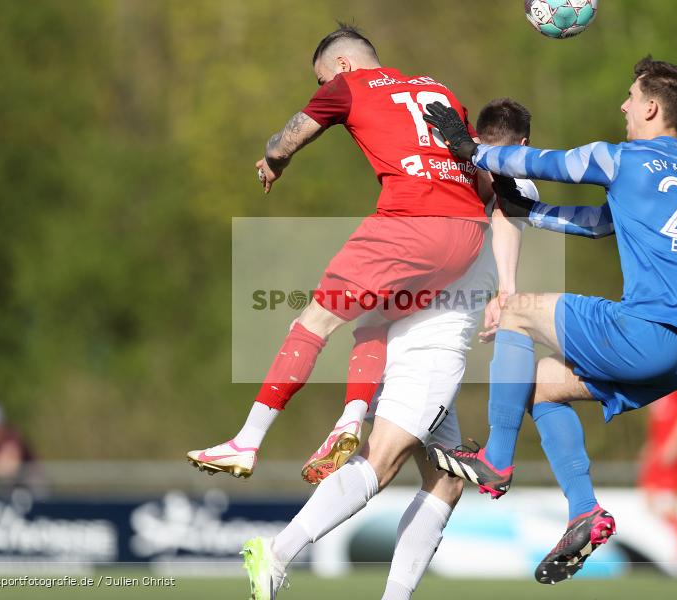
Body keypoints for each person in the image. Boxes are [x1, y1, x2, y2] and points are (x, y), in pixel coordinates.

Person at [423, 56, 677, 584]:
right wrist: (528, 212)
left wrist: (474, 151)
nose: (623, 105)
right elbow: (604, 224)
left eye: (631, 97)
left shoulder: (622, 158)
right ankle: (585, 510)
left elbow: (547, 162)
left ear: (651, 107)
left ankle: (496, 459)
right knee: (537, 389)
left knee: (514, 310)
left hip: (644, 332)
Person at [239, 99, 543, 600]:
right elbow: (510, 197)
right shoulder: (514, 180)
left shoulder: (449, 171)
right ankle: (278, 552)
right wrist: (508, 292)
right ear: (524, 146)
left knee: (445, 481)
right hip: (432, 349)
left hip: (392, 333)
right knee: (380, 462)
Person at [187, 24, 489, 483]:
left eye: (321, 79)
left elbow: (287, 138)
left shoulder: (348, 86)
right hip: (467, 234)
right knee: (375, 321)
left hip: (410, 223)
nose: (323, 89)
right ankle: (350, 419)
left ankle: (247, 440)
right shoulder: (437, 88)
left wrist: (273, 160)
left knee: (312, 322)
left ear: (343, 65)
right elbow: (479, 168)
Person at [639, 376, 677, 572]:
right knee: (649, 502)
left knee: (671, 504)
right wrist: (650, 447)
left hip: (674, 453)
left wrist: (676, 443)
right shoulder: (654, 381)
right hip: (657, 450)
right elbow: (657, 423)